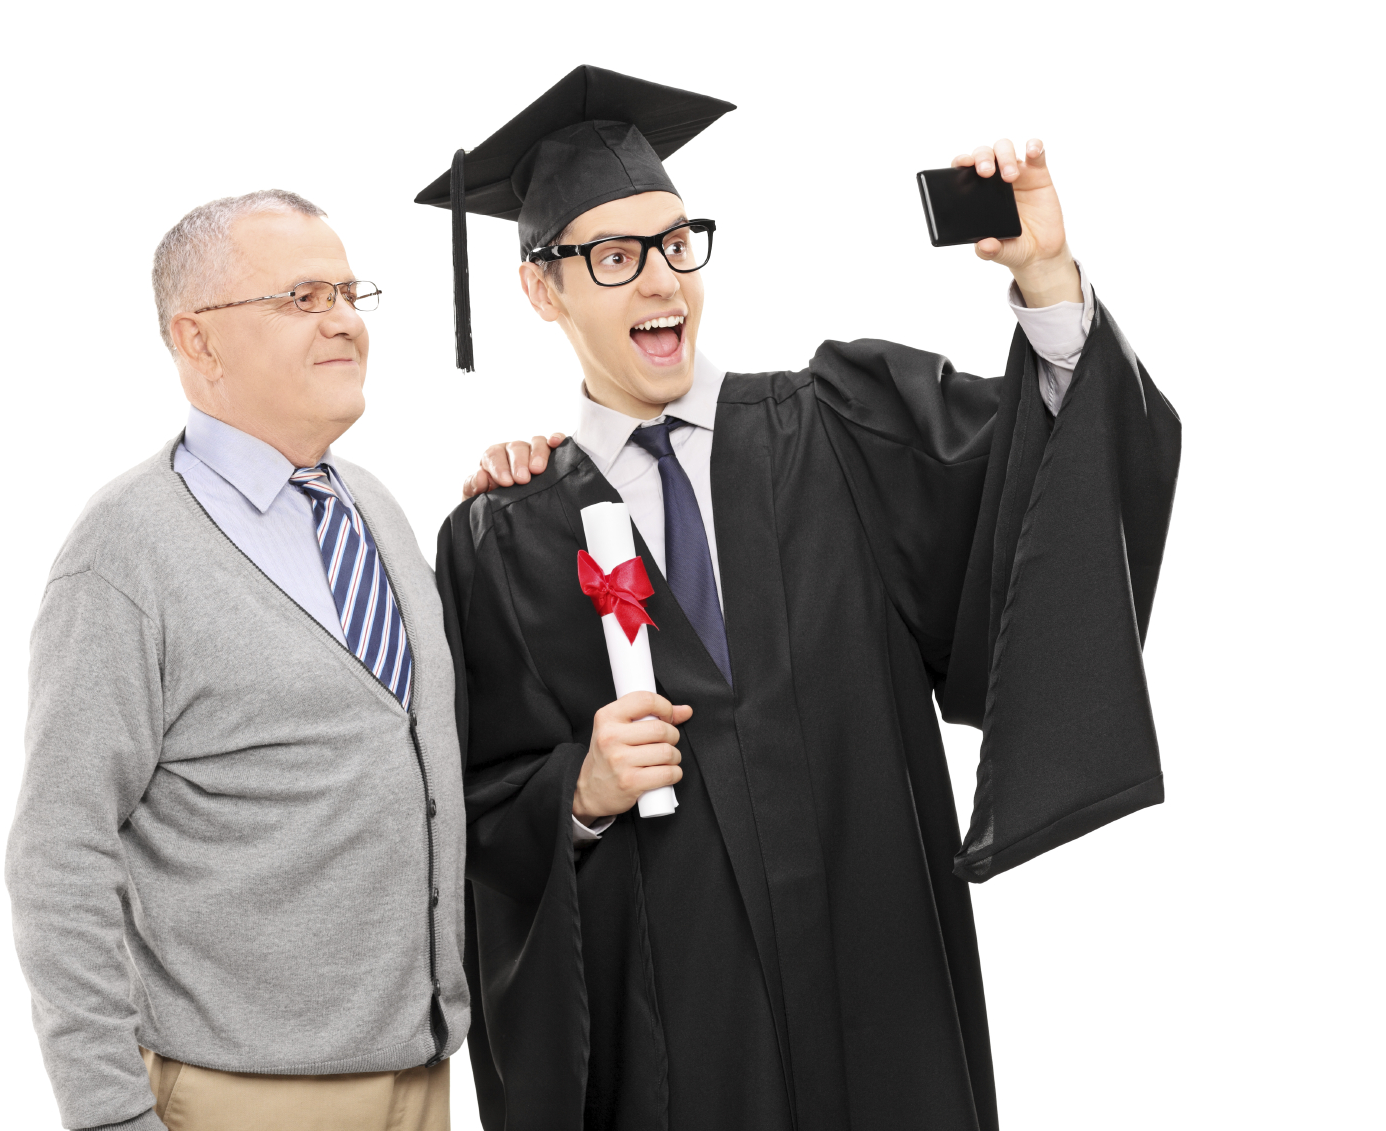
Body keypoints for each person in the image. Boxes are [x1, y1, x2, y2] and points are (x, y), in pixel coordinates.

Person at [425, 67, 1181, 1131]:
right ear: (542, 290)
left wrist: (1048, 282)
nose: (661, 283)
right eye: (613, 256)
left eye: (677, 242)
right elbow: (468, 819)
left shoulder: (839, 432)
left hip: (881, 995)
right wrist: (580, 797)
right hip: (681, 1046)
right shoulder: (502, 538)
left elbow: (1040, 495)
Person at [7, 189, 520, 1131]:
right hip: (240, 1099)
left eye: (348, 293)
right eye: (301, 298)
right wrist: (112, 1116)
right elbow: (58, 853)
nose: (343, 322)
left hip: (420, 1082)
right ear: (197, 342)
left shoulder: (375, 509)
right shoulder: (125, 552)